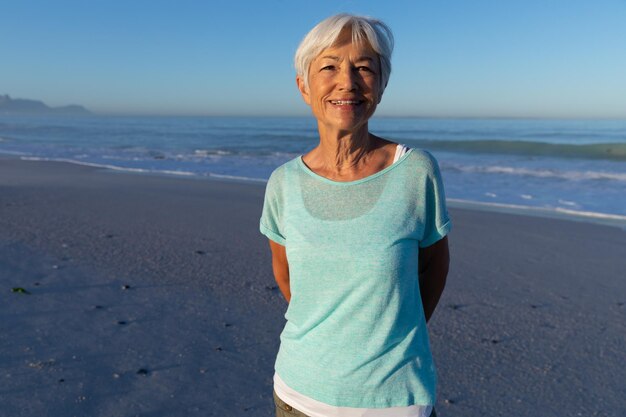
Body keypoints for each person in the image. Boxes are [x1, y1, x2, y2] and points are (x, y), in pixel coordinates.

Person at [260, 13, 451, 417]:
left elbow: (433, 265)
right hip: (297, 395)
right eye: (329, 66)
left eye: (364, 68)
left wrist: (392, 337)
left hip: (395, 400)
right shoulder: (283, 183)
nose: (347, 82)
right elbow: (286, 274)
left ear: (380, 86)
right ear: (304, 87)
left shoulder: (415, 172)